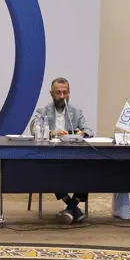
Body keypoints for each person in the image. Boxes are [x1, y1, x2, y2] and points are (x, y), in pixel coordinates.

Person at [32, 78, 93, 223]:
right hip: (51, 157)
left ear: (69, 93)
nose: (62, 96)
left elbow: (89, 130)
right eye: (58, 93)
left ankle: (70, 209)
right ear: (51, 93)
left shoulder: (76, 112)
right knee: (50, 172)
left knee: (89, 169)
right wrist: (53, 133)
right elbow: (35, 130)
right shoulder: (43, 111)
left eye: (65, 93)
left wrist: (82, 133)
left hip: (74, 157)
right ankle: (73, 208)